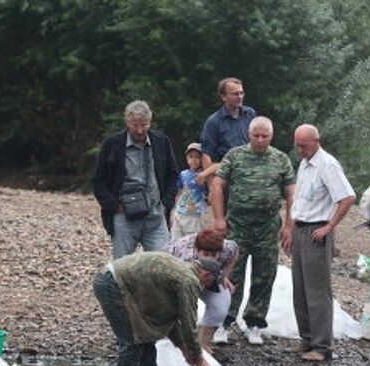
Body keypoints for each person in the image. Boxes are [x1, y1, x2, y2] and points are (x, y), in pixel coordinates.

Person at [209, 116, 296, 344]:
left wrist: (289, 225)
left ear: (271, 136)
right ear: (249, 135)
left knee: (264, 275)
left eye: (264, 136)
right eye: (256, 136)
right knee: (231, 273)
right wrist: (218, 218)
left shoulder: (281, 159)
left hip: (267, 227)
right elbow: (217, 185)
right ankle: (224, 322)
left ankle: (254, 322)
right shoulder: (235, 155)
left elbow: (291, 193)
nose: (260, 140)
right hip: (237, 225)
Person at [281, 124, 355, 361]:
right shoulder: (304, 163)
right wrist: (290, 228)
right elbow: (298, 199)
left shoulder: (328, 164)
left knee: (317, 291)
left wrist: (329, 226)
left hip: (317, 230)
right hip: (301, 228)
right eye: (297, 145)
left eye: (303, 145)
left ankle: (322, 347)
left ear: (316, 141)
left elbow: (347, 197)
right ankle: (307, 339)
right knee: (300, 289)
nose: (300, 149)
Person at [92, 252, 215, 366]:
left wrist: (184, 350)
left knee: (147, 334)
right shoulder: (189, 280)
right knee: (132, 339)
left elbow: (170, 319)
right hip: (112, 283)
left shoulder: (180, 273)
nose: (205, 289)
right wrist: (199, 357)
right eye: (208, 285)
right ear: (206, 274)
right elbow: (188, 322)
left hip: (119, 282)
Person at [92, 100, 178, 259]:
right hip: (123, 218)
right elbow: (98, 181)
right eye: (135, 125)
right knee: (122, 268)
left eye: (144, 125)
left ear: (150, 122)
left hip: (156, 217)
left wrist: (167, 203)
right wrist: (113, 206)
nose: (139, 130)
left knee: (162, 266)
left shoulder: (161, 141)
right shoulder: (112, 144)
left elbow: (173, 175)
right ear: (127, 122)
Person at [165, 228, 239, 352]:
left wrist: (225, 275)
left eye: (214, 255)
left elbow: (235, 251)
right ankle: (174, 345)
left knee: (220, 307)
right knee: (181, 310)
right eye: (206, 254)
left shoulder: (227, 248)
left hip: (211, 276)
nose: (209, 258)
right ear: (197, 250)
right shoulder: (182, 255)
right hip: (177, 277)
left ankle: (203, 344)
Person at [197, 77, 257, 187]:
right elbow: (206, 154)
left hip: (251, 174)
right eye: (235, 94)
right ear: (223, 97)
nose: (239, 97)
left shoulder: (250, 114)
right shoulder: (213, 122)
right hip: (228, 177)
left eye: (241, 93)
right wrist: (211, 187)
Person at [171, 142, 208, 241]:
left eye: (197, 157)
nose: (194, 160)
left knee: (192, 241)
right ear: (187, 159)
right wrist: (175, 208)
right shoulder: (183, 174)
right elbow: (179, 191)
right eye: (191, 157)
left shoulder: (204, 175)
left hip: (195, 213)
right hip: (180, 211)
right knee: (176, 240)